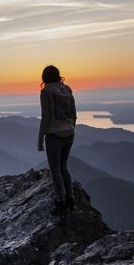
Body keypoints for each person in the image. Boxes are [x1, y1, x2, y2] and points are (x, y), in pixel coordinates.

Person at [37, 65, 77, 214]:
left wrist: (40, 139)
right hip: (70, 133)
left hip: (54, 135)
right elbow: (74, 114)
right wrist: (71, 129)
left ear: (44, 77)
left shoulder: (46, 92)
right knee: (64, 167)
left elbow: (46, 118)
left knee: (55, 170)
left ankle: (60, 202)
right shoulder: (67, 89)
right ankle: (70, 198)